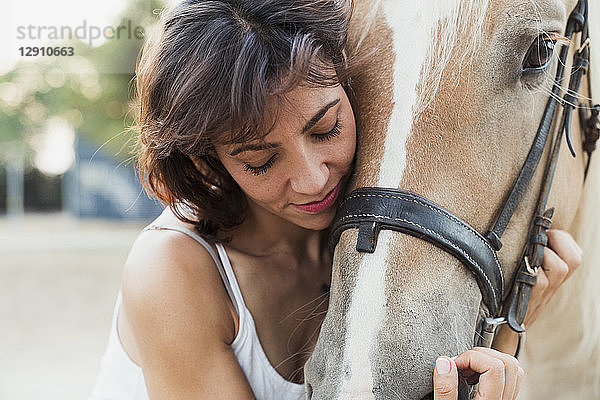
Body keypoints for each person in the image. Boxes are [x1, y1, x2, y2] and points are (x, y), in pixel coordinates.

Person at [90, 1, 583, 399]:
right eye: (260, 161)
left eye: (326, 129)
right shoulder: (170, 269)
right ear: (206, 162)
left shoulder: (374, 234)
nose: (311, 180)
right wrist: (507, 335)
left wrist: (508, 319)